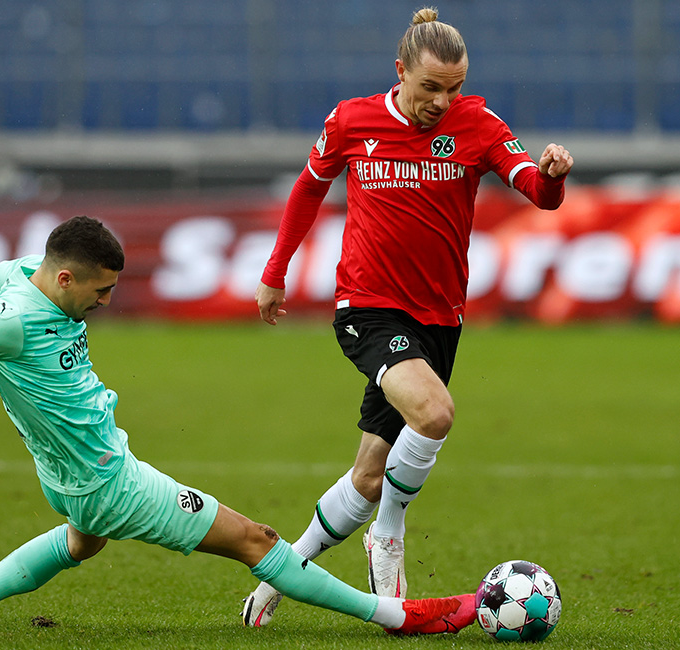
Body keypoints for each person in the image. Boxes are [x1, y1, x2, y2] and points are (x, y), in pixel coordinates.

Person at [0, 216, 475, 635]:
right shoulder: (10, 319)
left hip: (69, 478)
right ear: (66, 280)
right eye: (101, 291)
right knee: (256, 539)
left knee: (80, 545)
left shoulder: (25, 279)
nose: (108, 302)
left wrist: (6, 276)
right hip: (111, 481)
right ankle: (399, 616)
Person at [241, 7, 573, 626]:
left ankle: (280, 571)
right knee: (435, 413)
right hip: (366, 308)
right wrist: (274, 270)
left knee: (369, 476)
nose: (443, 101)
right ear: (400, 73)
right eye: (430, 87)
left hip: (439, 319)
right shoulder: (352, 120)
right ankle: (388, 535)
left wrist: (552, 177)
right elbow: (308, 187)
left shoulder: (477, 124)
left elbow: (534, 189)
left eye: (455, 86)